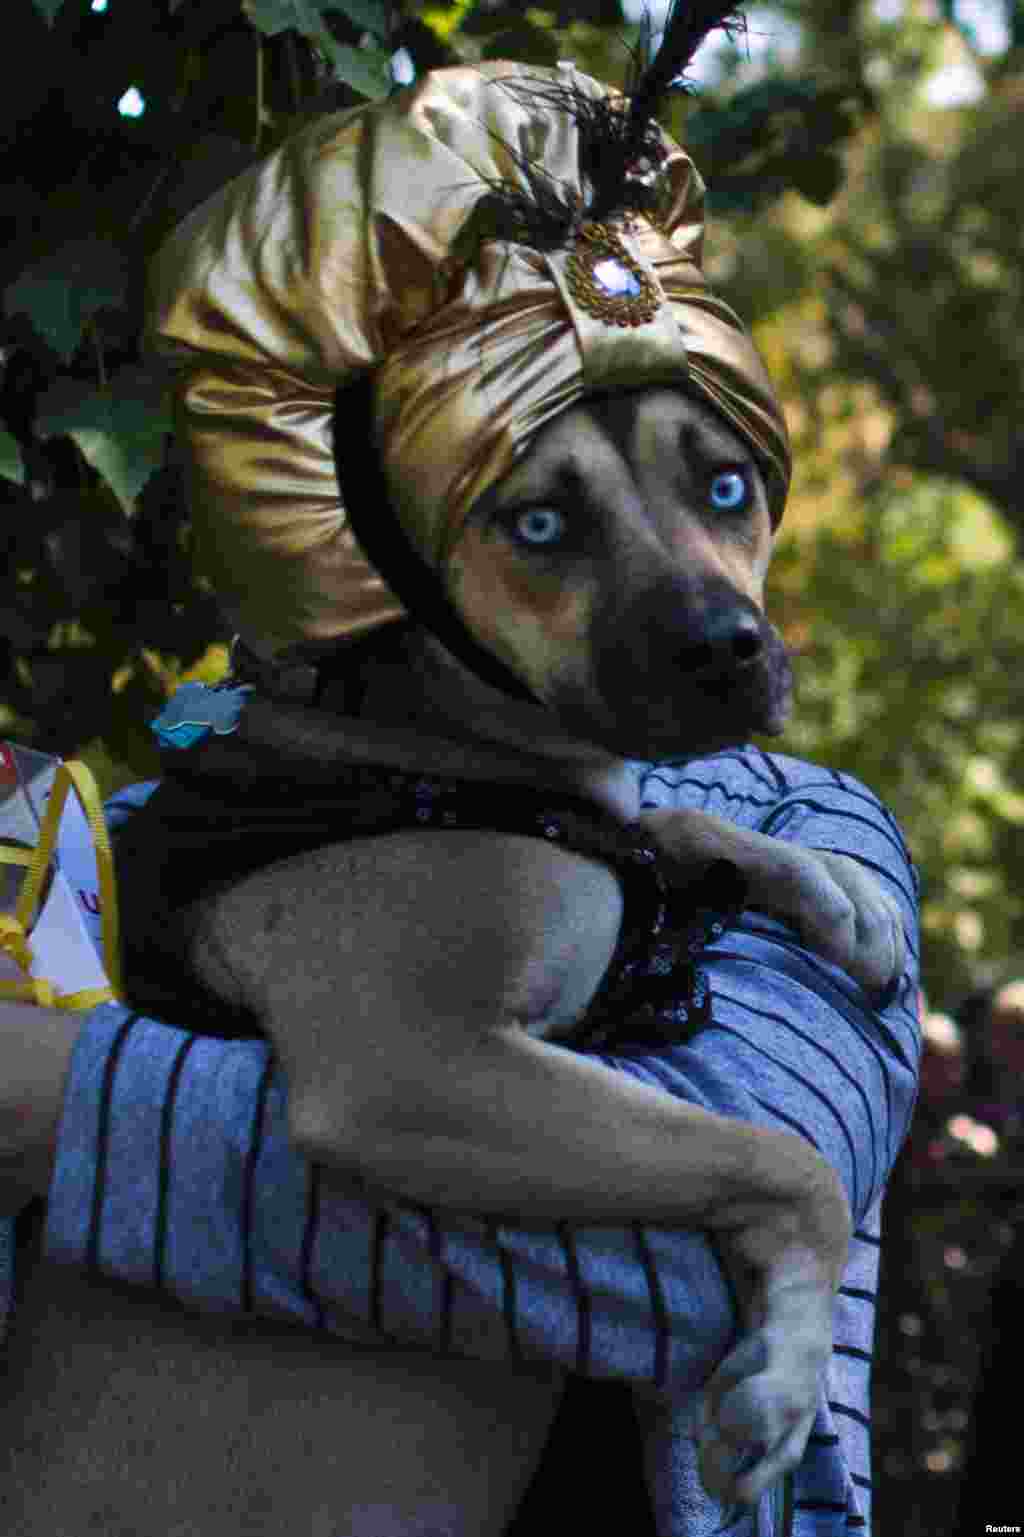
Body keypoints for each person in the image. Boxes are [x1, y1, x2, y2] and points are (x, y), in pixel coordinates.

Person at [0, 12, 921, 1534]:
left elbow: (664, 1273)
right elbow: (389, 1088)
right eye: (546, 528)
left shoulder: (821, 833)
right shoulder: (295, 800)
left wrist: (75, 1107)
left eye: (723, 487)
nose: (699, 597)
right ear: (406, 577)